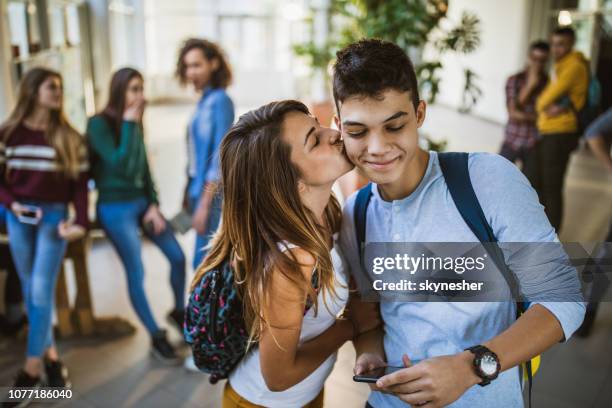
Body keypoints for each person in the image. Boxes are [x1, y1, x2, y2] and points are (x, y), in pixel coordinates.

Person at [333, 39, 585, 408]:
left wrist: (469, 367)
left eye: (394, 126)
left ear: (419, 114)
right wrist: (369, 353)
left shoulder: (485, 180)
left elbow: (564, 300)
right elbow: (371, 316)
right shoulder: (355, 214)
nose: (376, 147)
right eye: (357, 132)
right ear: (338, 126)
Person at [190, 100, 378, 407]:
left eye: (318, 126)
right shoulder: (292, 261)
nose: (333, 134)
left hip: (309, 393)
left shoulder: (327, 214)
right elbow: (277, 376)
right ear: (292, 183)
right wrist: (352, 326)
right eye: (315, 140)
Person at [0, 67, 88, 403]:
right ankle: (52, 358)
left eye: (60, 87)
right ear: (33, 90)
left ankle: (31, 370)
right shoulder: (8, 134)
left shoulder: (69, 137)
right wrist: (13, 204)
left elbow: (80, 184)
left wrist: (80, 220)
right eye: (52, 86)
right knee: (31, 290)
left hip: (54, 219)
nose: (58, 92)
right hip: (19, 217)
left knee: (39, 289)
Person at [87, 68, 186, 364]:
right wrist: (130, 123)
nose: (140, 96)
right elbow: (121, 166)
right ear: (119, 92)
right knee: (137, 270)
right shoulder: (98, 124)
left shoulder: (137, 125)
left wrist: (153, 204)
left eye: (141, 89)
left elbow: (143, 170)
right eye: (133, 89)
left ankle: (178, 311)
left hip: (143, 204)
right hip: (114, 207)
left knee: (177, 257)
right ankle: (156, 335)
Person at [176, 38, 235, 270]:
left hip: (208, 194)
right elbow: (194, 157)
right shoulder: (204, 101)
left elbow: (219, 157)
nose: (191, 72)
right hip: (196, 189)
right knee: (200, 260)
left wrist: (203, 205)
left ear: (214, 63)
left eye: (197, 65)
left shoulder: (220, 101)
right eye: (187, 66)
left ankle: (201, 307)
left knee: (201, 263)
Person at [533, 26, 589, 232]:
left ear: (572, 43)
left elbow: (543, 100)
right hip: (552, 130)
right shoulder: (562, 65)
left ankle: (551, 236)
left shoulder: (573, 66)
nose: (556, 49)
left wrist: (544, 105)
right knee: (543, 183)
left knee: (552, 186)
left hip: (560, 132)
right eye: (554, 44)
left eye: (561, 44)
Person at [500, 40, 550, 174]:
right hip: (512, 139)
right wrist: (530, 85)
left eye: (542, 60)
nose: (538, 64)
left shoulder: (548, 84)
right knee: (499, 176)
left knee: (530, 185)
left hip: (533, 143)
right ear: (529, 57)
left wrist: (527, 116)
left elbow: (547, 116)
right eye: (535, 59)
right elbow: (513, 113)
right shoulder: (514, 80)